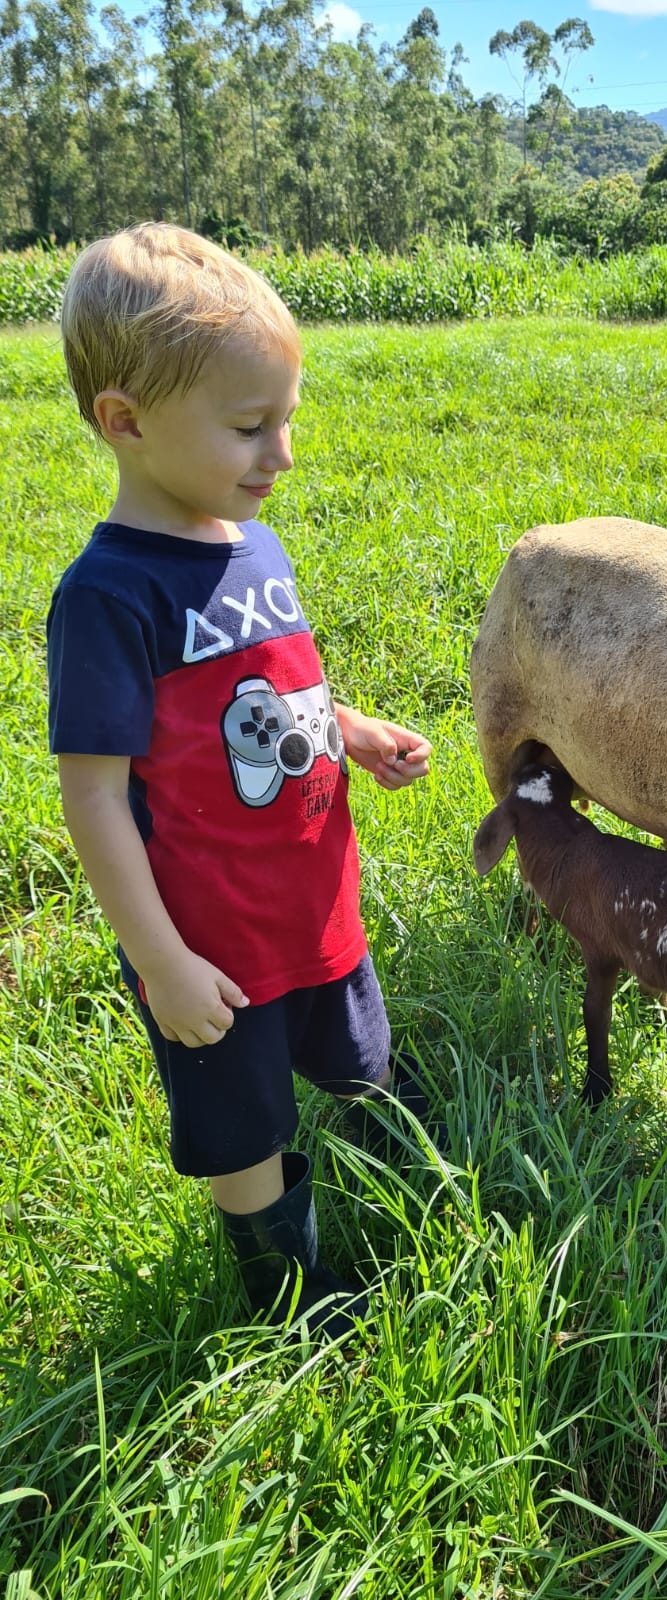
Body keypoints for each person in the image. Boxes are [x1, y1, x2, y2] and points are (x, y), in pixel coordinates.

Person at [46, 222, 434, 1339]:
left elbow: (269, 684)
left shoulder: (249, 544)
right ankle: (290, 1295)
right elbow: (94, 796)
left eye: (288, 420)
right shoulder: (111, 597)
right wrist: (163, 961)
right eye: (251, 427)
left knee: (357, 1057)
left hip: (315, 902)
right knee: (244, 1125)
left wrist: (350, 729)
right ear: (124, 422)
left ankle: (401, 1181)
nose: (284, 454)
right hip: (213, 947)